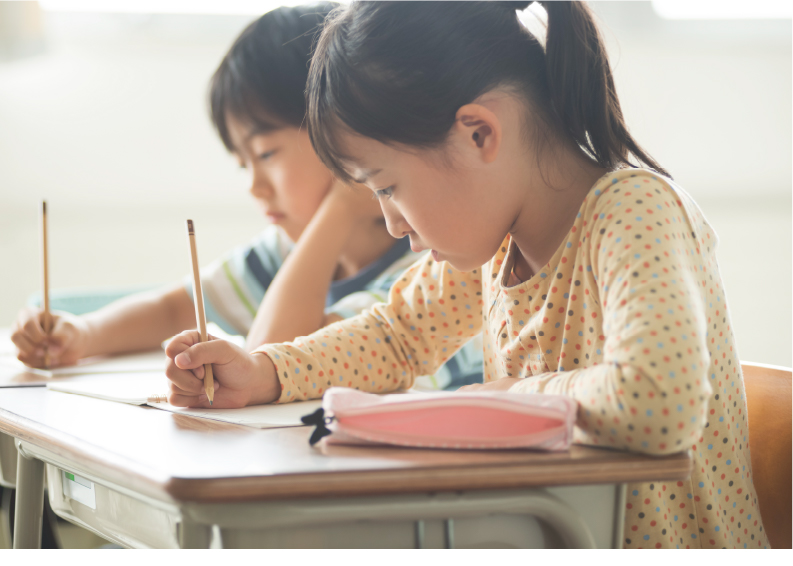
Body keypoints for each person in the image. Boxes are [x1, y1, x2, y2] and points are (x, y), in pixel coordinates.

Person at [162, 1, 769, 549]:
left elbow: (658, 404)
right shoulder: (496, 247)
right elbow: (395, 337)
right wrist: (262, 374)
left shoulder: (632, 211)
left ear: (479, 133)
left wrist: (511, 401)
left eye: (388, 186)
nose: (391, 224)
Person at [9, 2, 484, 392]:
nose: (254, 185)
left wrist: (338, 208)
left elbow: (280, 357)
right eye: (243, 164)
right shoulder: (279, 252)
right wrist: (83, 334)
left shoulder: (431, 253)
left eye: (266, 153)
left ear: (340, 133)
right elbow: (175, 308)